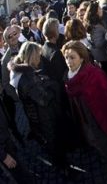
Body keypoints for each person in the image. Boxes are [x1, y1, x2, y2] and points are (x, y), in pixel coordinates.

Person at [62, 41, 107, 179]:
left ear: (82, 57)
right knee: (95, 141)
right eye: (66, 57)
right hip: (84, 119)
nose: (68, 61)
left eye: (72, 57)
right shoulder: (68, 77)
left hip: (99, 118)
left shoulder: (94, 74)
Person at [9, 42, 68, 174]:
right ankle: (61, 166)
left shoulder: (23, 72)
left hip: (39, 116)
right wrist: (52, 85)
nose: (40, 59)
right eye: (38, 56)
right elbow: (44, 99)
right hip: (44, 118)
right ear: (32, 57)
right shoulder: (27, 78)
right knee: (53, 143)